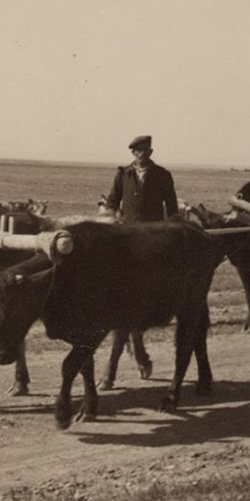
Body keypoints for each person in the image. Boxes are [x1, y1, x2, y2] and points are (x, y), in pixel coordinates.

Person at [99, 135, 179, 390]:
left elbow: (173, 206)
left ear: (151, 151)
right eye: (137, 151)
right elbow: (112, 202)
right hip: (127, 238)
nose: (142, 154)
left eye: (145, 150)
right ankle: (138, 352)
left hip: (153, 238)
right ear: (132, 153)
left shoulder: (163, 175)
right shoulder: (123, 174)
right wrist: (112, 219)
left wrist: (169, 231)